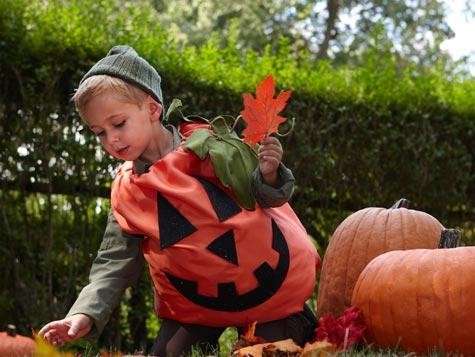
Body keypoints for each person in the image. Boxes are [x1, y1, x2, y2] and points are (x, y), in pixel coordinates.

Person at [39, 45, 320, 356]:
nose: (111, 140)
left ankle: (294, 320)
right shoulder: (129, 192)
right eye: (99, 133)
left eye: (118, 124)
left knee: (279, 348)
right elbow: (113, 261)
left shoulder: (211, 146)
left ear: (152, 109)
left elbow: (265, 198)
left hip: (260, 283)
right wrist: (84, 313)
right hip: (195, 303)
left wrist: (268, 175)